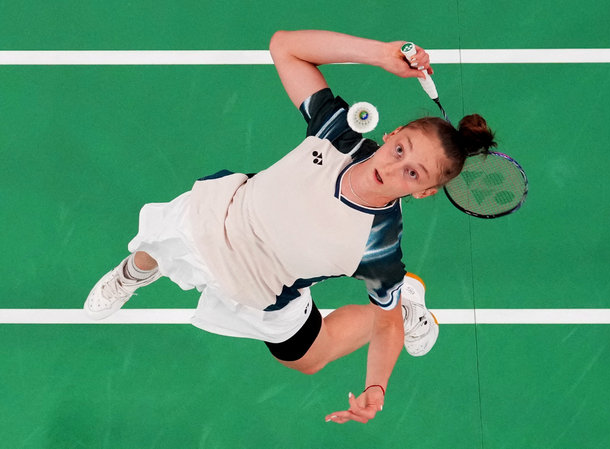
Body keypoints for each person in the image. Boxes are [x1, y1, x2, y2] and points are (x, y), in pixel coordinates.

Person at [84, 29, 496, 424]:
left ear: (423, 192)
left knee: (310, 359)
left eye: (412, 173)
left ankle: (405, 304)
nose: (392, 167)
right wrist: (378, 53)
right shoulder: (340, 134)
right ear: (390, 134)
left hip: (262, 287)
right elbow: (285, 47)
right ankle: (132, 275)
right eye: (400, 149)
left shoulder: (380, 244)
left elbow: (382, 325)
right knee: (156, 244)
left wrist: (377, 386)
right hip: (218, 217)